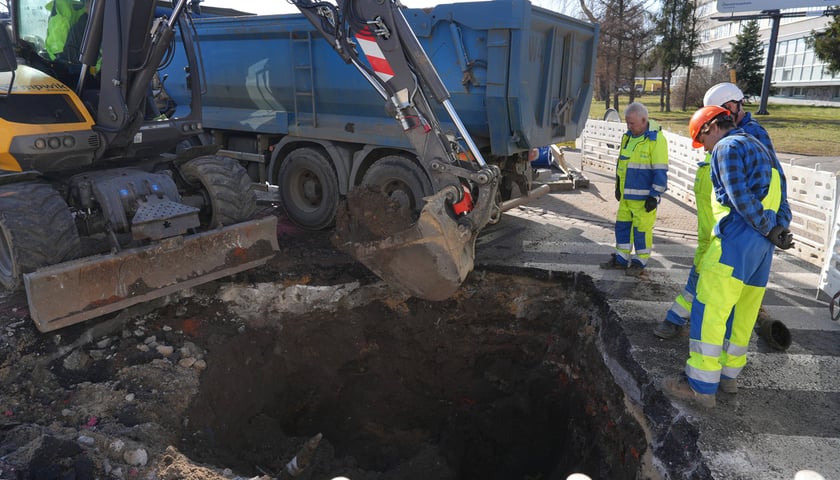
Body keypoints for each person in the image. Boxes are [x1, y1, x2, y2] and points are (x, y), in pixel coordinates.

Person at [662, 106, 793, 409]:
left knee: (709, 309)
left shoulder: (727, 147)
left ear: (710, 128)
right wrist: (777, 230)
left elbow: (739, 197)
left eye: (701, 140)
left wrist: (766, 226)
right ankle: (728, 377)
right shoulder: (759, 146)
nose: (704, 148)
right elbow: (782, 197)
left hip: (737, 241)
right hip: (762, 251)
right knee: (742, 314)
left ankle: (699, 387)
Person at [654, 82, 776, 339]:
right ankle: (685, 319)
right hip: (714, 222)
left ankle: (680, 319)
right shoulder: (727, 137)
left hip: (732, 227)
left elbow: (770, 185)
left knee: (709, 276)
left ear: (730, 108)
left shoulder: (750, 136)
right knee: (705, 268)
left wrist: (772, 223)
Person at [600, 102, 669, 276]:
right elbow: (621, 165)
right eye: (627, 122)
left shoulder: (656, 140)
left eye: (632, 123)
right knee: (622, 227)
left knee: (641, 231)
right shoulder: (628, 137)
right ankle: (621, 258)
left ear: (644, 120)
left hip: (644, 199)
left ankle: (640, 261)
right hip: (626, 198)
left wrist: (655, 196)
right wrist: (617, 186)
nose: (628, 126)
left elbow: (660, 171)